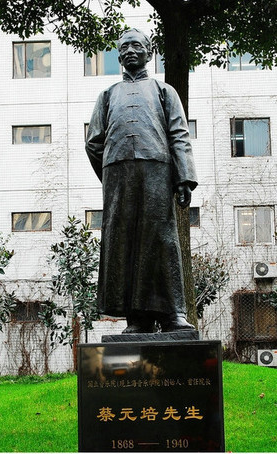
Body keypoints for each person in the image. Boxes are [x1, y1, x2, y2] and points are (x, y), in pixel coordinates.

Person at [85, 28, 197, 333]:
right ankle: (137, 318)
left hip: (157, 171)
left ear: (149, 52)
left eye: (136, 46)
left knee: (161, 239)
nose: (130, 51)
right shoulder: (107, 95)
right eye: (124, 47)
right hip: (118, 175)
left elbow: (179, 134)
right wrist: (111, 172)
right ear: (119, 56)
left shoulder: (164, 91)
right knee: (124, 243)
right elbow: (93, 142)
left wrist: (183, 177)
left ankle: (173, 313)